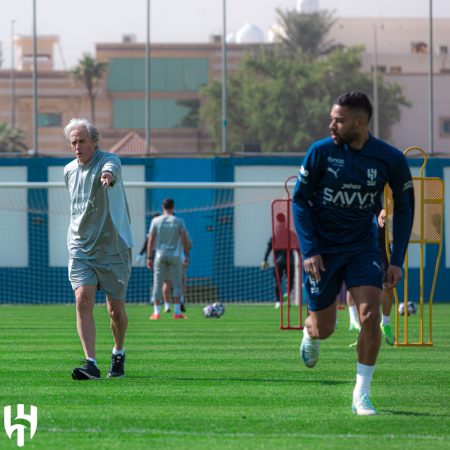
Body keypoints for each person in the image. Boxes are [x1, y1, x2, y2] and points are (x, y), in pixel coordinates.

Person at [292, 91, 414, 415]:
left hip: (363, 247)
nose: (331, 125)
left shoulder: (390, 158)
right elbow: (299, 201)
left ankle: (361, 394)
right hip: (323, 250)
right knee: (325, 328)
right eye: (332, 118)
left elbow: (404, 207)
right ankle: (310, 332)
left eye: (338, 120)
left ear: (359, 124)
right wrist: (309, 250)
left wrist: (396, 260)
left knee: (370, 316)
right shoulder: (320, 152)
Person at [64, 118, 133, 380]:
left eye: (81, 141)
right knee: (82, 299)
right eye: (73, 142)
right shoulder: (69, 170)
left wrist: (108, 177)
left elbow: (111, 169)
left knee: (115, 310)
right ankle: (90, 363)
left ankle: (118, 351)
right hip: (80, 247)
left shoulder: (109, 161)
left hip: (112, 247)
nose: (77, 146)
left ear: (94, 141)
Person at [147, 198, 190, 320]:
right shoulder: (178, 221)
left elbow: (151, 240)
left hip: (159, 255)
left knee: (158, 283)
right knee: (177, 283)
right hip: (175, 256)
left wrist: (149, 257)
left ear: (162, 207)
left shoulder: (155, 221)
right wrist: (187, 255)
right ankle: (177, 312)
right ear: (173, 207)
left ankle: (156, 312)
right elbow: (184, 239)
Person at [261, 236, 294, 308]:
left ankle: (287, 294)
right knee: (278, 281)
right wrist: (265, 259)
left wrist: (300, 259)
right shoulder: (274, 236)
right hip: (278, 262)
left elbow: (296, 246)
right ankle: (278, 300)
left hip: (290, 261)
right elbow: (269, 248)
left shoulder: (290, 235)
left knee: (290, 280)